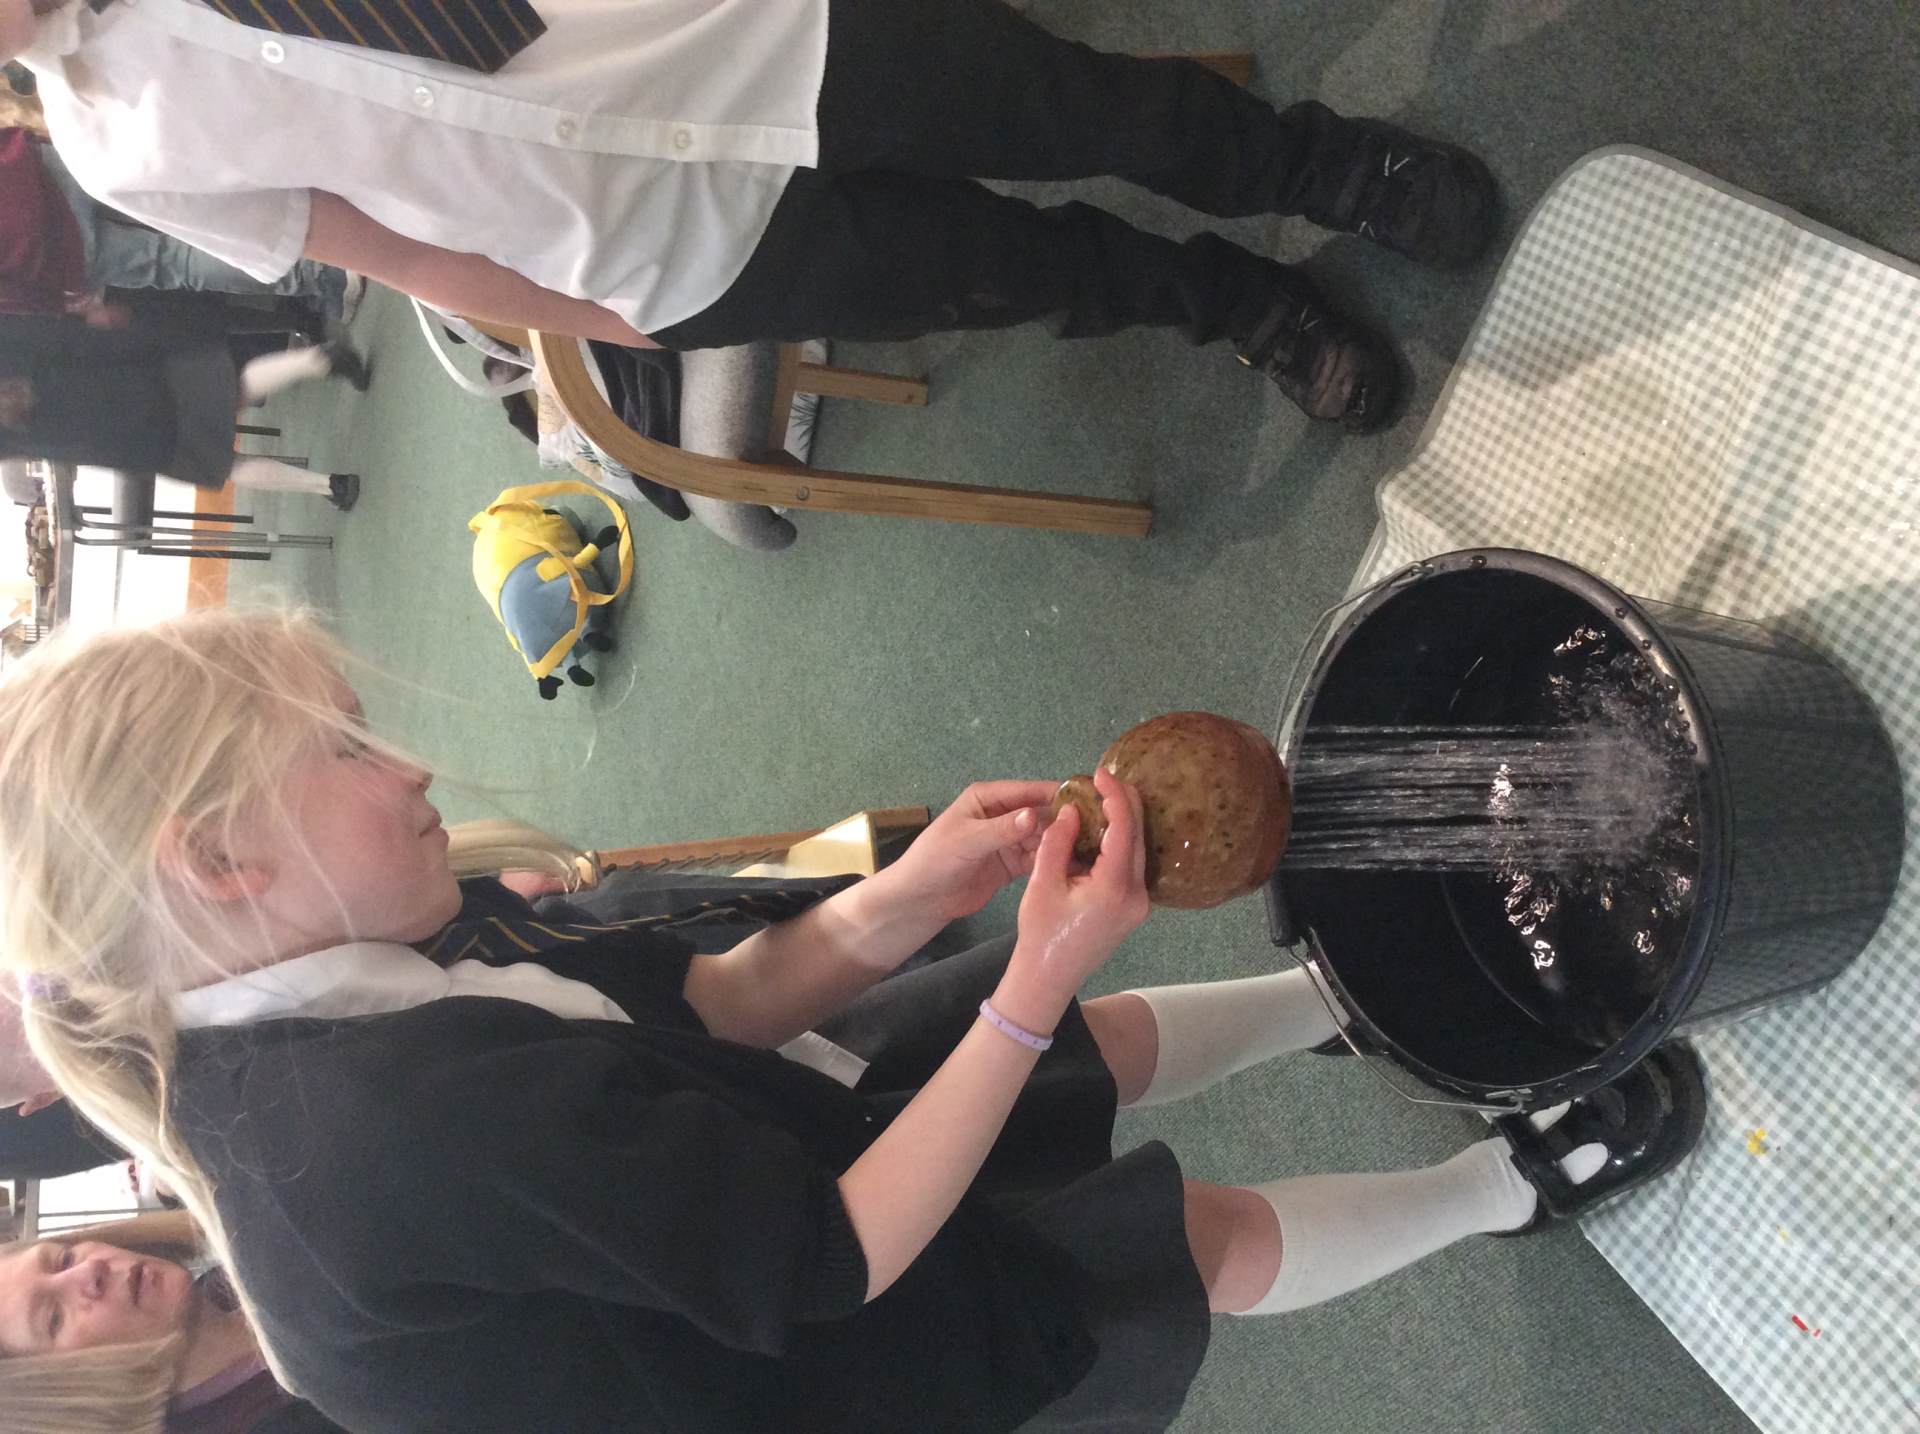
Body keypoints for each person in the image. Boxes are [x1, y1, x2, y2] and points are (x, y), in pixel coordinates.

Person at [0, 609, 1705, 1431]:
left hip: (743, 1154)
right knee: (1195, 1241)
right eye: (346, 753)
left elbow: (709, 1004)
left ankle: (1335, 996)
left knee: (1087, 1049)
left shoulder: (379, 926)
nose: (412, 765)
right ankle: (1508, 1184)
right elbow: (832, 1254)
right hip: (814, 1360)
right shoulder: (383, 1142)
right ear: (221, 863)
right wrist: (1028, 979)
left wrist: (908, 900)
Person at [7, 0, 1500, 435]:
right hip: (656, 245)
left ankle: (1324, 170)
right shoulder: (112, 139)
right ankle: (1245, 307)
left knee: (1076, 109)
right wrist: (603, 319)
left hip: (751, 32)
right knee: (1014, 271)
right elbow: (380, 246)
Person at [0, 1210, 344, 1432]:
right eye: (55, 1318)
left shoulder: (240, 1269)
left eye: (63, 1259)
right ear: (70, 1396)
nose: (89, 1270)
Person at [0, 126, 360, 326]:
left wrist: (56, 302)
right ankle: (330, 209)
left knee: (175, 262)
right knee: (187, 194)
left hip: (46, 252)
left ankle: (323, 273)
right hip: (29, 170)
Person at [0, 315, 368, 509]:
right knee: (233, 388)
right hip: (127, 374)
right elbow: (64, 337)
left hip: (114, 439)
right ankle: (317, 359)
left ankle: (330, 485)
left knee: (225, 464)